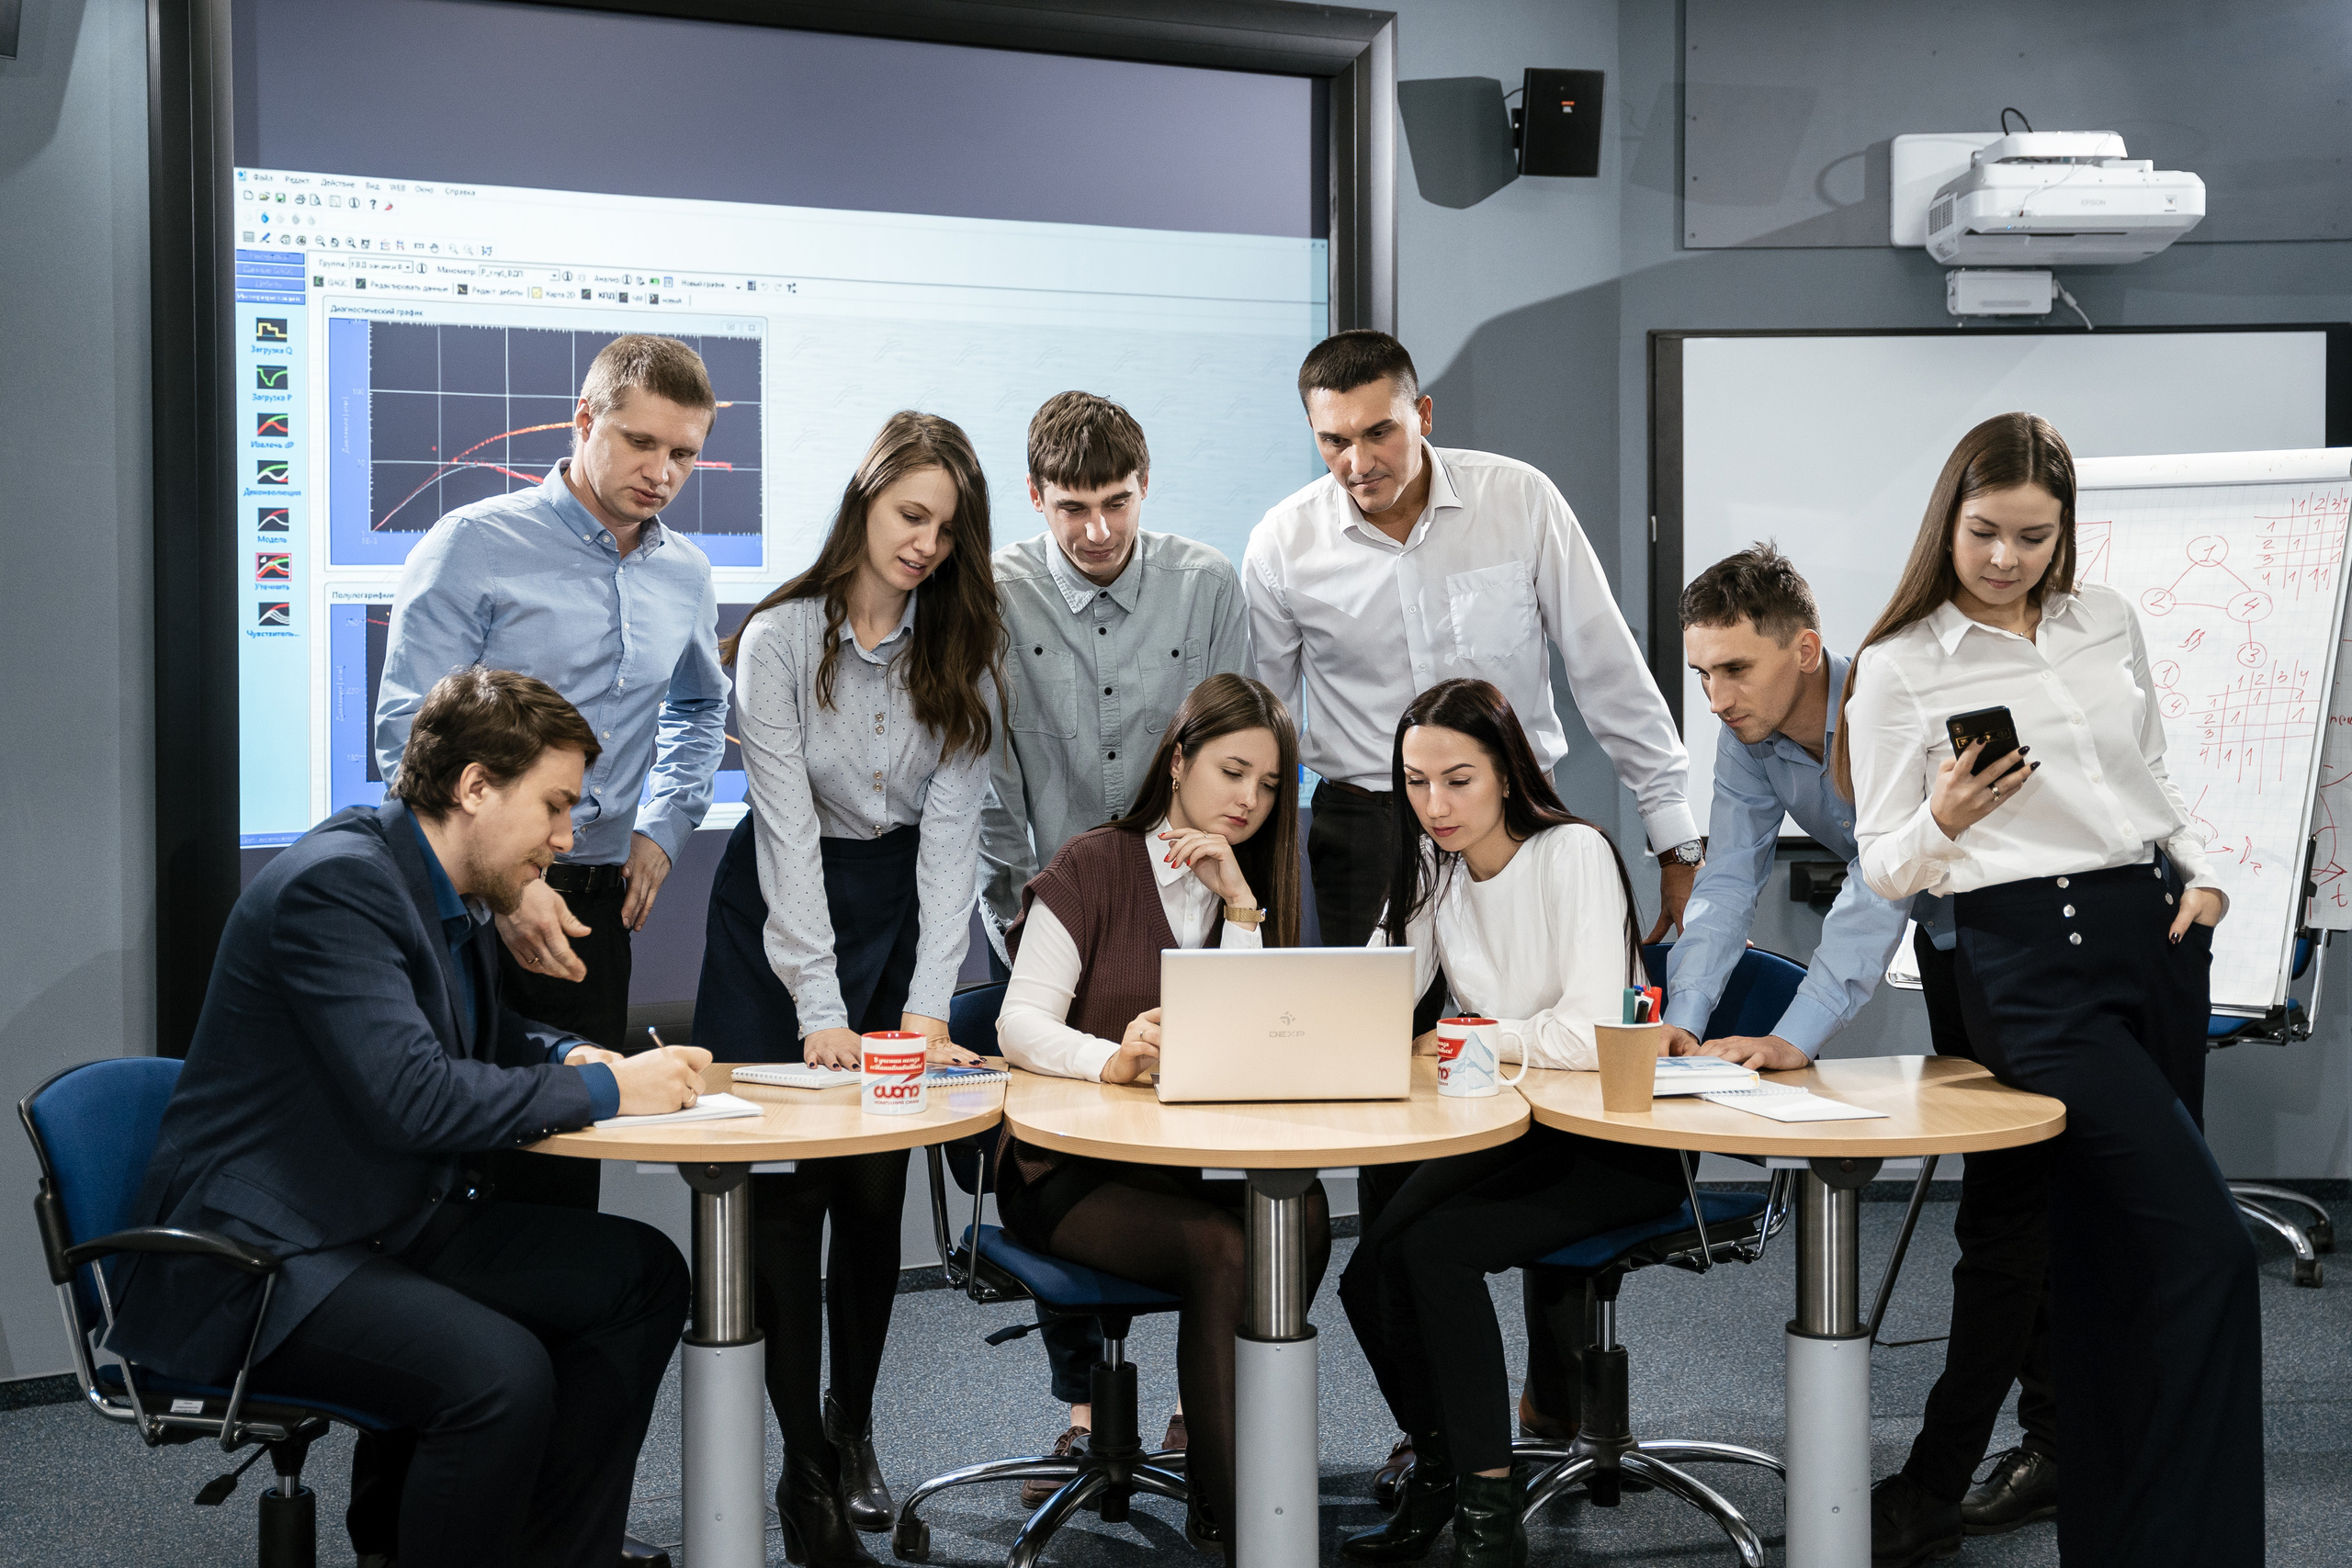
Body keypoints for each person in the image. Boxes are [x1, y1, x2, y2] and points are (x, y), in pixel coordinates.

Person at [108, 668, 709, 1568]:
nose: (563, 838)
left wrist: (563, 1056)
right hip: (263, 1260)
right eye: (552, 806)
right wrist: (616, 1092)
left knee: (641, 1275)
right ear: (475, 787)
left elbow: (483, 1033)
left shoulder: (432, 885)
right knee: (496, 1376)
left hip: (373, 1224)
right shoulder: (339, 888)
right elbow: (417, 1098)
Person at [1243, 328, 1703, 1476]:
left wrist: (1672, 825)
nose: (1359, 460)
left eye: (1379, 431)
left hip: (1522, 819)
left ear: (1424, 414)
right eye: (1334, 441)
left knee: (1545, 1100)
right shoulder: (1285, 543)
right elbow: (1262, 724)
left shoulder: (1519, 503)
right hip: (1363, 828)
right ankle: (1444, 1424)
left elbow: (1606, 668)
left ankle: (1552, 1390)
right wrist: (1242, 908)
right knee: (1398, 1137)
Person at [1841, 412, 2258, 1568]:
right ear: (1947, 522)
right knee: (2208, 1250)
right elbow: (1880, 860)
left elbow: (2152, 769)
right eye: (1984, 533)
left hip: (2155, 936)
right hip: (2025, 959)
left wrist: (2208, 876)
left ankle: (2121, 1539)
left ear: (2063, 529)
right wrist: (1943, 819)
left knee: (2112, 1266)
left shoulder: (2103, 621)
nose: (2007, 560)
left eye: (2032, 536)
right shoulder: (1901, 665)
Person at [694, 411, 1000, 1567]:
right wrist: (819, 1012)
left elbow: (953, 840)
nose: (924, 543)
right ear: (865, 501)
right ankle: (799, 1465)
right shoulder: (780, 636)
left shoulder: (964, 639)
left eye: (945, 529)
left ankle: (852, 1427)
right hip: (776, 914)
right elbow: (784, 835)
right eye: (909, 515)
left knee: (872, 1197)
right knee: (786, 1205)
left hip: (899, 911)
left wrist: (925, 1008)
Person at [376, 333, 728, 1215]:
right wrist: (502, 890)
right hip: (466, 900)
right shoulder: (473, 545)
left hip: (593, 902)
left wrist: (664, 827)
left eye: (683, 453)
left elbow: (701, 708)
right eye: (641, 443)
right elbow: (406, 734)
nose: (662, 471)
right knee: (465, 1170)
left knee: (570, 1166)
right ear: (584, 421)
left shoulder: (684, 572)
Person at [1336, 678, 1685, 1568]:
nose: (1434, 805)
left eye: (1457, 780)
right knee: (1365, 1272)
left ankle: (1489, 1517)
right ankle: (1444, 1460)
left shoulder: (1572, 853)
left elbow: (1589, 1033)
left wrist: (1461, 1036)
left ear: (1506, 772)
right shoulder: (1436, 866)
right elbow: (1374, 992)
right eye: (1414, 784)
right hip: (1513, 1130)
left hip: (1613, 1142)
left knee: (1430, 1250)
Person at [992, 672, 1329, 1563]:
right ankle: (1238, 1516)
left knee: (1303, 1216)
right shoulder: (1092, 864)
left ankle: (1245, 1465)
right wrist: (1111, 1057)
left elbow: (1261, 1043)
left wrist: (1243, 908)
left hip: (1179, 1169)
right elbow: (1018, 1023)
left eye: (1267, 785)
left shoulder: (1249, 885)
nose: (1248, 801)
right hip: (1062, 1176)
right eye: (1231, 772)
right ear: (1177, 762)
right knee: (1224, 1248)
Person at [977, 389, 1249, 1487]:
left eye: (1117, 502)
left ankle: (1197, 1396)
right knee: (1070, 1126)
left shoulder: (1206, 582)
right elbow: (986, 767)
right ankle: (1084, 1401)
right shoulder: (992, 592)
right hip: (1049, 902)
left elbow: (1238, 736)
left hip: (1179, 906)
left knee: (1182, 1145)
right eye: (1073, 507)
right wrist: (1021, 908)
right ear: (1037, 496)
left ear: (1146, 488)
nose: (1096, 530)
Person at [1664, 543, 1912, 1067]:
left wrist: (1791, 1040)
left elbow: (1877, 884)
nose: (1716, 700)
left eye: (1735, 668)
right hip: (1943, 929)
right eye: (1703, 673)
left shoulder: (1886, 708)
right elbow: (1728, 878)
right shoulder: (1747, 734)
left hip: (2012, 917)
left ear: (1805, 651)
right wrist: (1682, 1018)